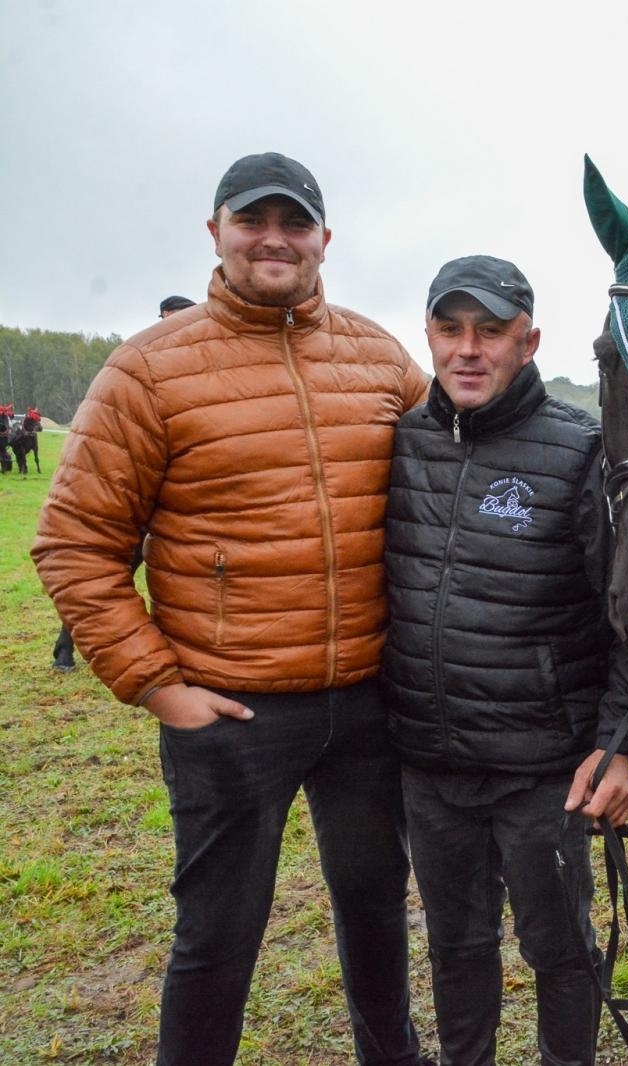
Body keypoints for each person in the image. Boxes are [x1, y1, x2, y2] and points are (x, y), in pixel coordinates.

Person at [32, 152, 433, 1066]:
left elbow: (463, 453)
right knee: (217, 936)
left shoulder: (378, 357)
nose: (275, 239)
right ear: (215, 232)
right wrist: (158, 687)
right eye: (254, 221)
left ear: (325, 240)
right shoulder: (148, 371)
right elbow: (74, 544)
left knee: (377, 912)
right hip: (231, 710)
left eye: (295, 223)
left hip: (371, 702)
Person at [383, 255, 628, 1066]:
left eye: (491, 331)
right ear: (430, 337)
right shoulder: (400, 446)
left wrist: (616, 748)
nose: (468, 350)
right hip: (430, 766)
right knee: (455, 944)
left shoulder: (582, 453)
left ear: (530, 340)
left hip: (546, 770)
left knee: (560, 949)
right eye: (450, 329)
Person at [51, 294, 197, 673]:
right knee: (110, 571)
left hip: (182, 507)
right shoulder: (140, 365)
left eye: (183, 318)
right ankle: (65, 646)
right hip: (140, 506)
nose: (174, 326)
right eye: (170, 318)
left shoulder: (202, 370)